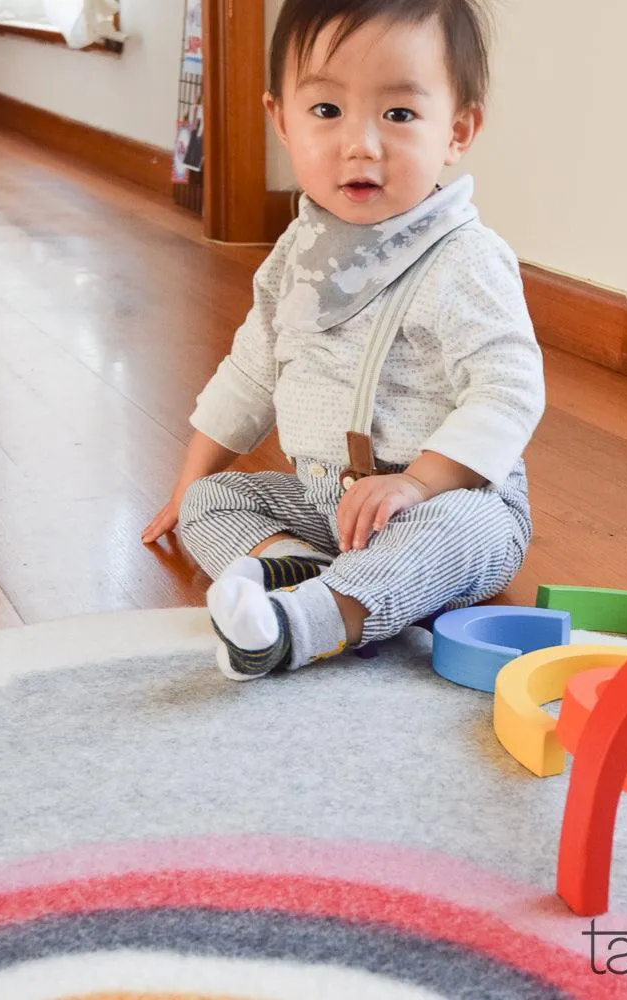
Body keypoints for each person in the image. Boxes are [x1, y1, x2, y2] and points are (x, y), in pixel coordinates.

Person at [142, 0, 545, 680]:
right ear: (281, 120)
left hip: (444, 503)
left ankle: (310, 624)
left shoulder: (463, 259)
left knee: (468, 533)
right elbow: (251, 372)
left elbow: (508, 390)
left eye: (399, 114)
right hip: (327, 504)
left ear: (458, 129)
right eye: (327, 112)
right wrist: (189, 481)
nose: (360, 143)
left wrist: (419, 485)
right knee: (209, 502)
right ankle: (316, 572)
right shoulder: (298, 251)